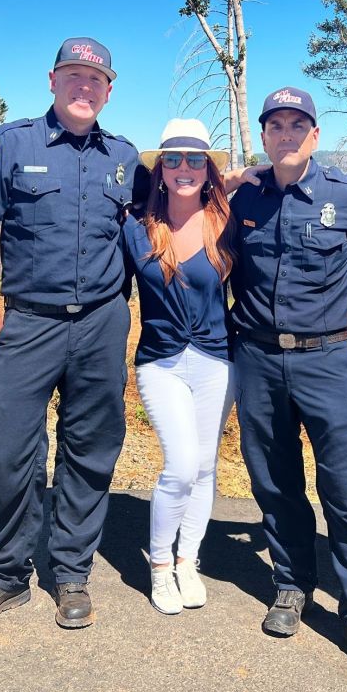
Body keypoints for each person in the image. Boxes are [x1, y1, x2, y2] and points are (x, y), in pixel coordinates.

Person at [0, 37, 140, 630]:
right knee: (10, 453)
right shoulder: (9, 144)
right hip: (27, 322)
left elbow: (162, 223)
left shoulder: (127, 158)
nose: (85, 88)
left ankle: (71, 573)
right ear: (53, 80)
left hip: (102, 323)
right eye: (75, 76)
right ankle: (5, 574)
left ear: (109, 89)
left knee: (90, 450)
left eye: (96, 79)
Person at [228, 86, 347, 677]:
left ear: (314, 135)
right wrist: (232, 177)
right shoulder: (244, 196)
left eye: (296, 124)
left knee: (345, 491)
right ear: (265, 135)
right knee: (275, 482)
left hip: (328, 360)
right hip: (257, 360)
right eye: (274, 125)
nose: (285, 133)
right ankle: (291, 583)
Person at [122, 119, 236, 615]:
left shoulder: (228, 221)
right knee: (182, 465)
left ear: (208, 169)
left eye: (194, 159)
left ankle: (188, 560)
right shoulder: (135, 225)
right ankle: (160, 568)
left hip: (218, 360)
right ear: (160, 168)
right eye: (173, 159)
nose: (184, 168)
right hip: (160, 361)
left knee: (207, 467)